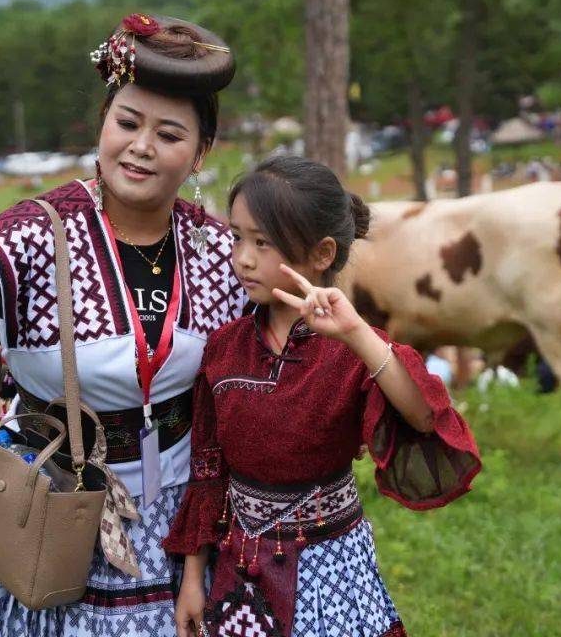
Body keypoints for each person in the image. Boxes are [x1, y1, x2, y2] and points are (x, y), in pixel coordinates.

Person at [0, 14, 246, 636]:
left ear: (200, 153)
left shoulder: (220, 249)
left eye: (169, 134)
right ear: (102, 126)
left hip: (183, 525)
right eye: (127, 122)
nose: (140, 146)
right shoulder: (32, 235)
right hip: (58, 512)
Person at [164, 156, 481, 637]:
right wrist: (192, 577)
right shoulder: (225, 350)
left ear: (322, 253)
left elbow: (423, 418)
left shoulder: (352, 351)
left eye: (262, 242)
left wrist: (355, 331)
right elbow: (208, 469)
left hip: (334, 574)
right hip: (241, 580)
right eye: (237, 238)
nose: (243, 258)